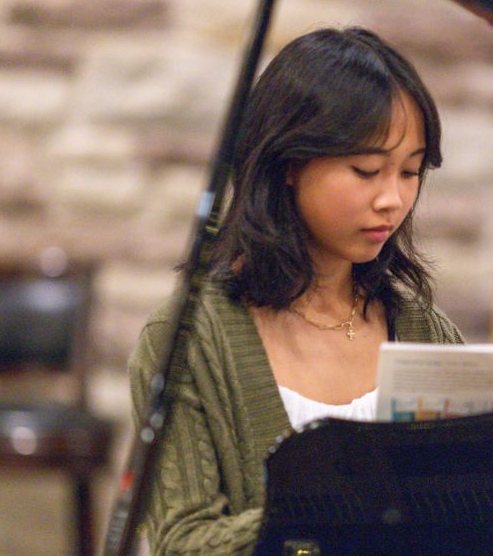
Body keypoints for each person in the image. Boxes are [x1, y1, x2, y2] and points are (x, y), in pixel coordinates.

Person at [128, 27, 465, 555]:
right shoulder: (190, 338)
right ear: (289, 164)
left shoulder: (426, 332)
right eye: (367, 170)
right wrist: (343, 517)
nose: (393, 200)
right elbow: (184, 542)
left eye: (410, 171)